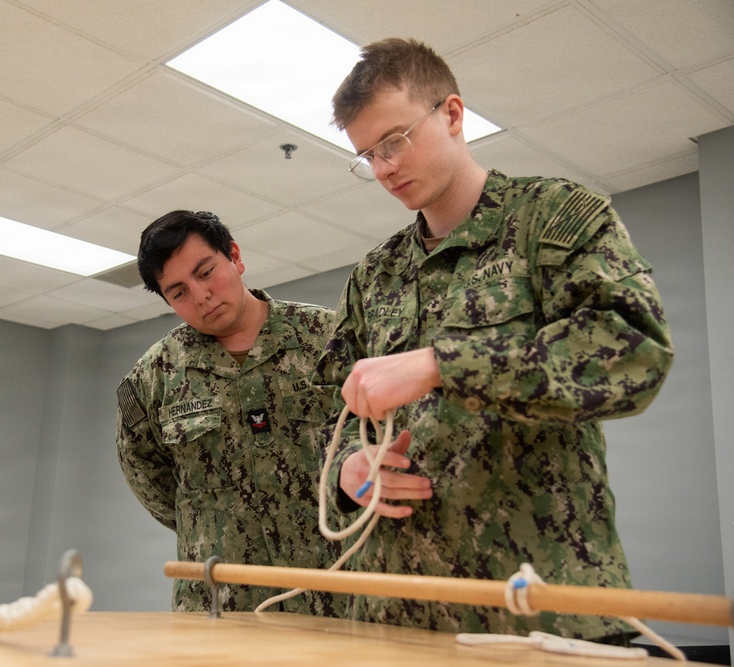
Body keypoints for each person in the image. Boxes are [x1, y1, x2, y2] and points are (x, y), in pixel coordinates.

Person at [312, 38, 674, 641]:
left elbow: (633, 351)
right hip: (399, 616)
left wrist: (441, 364)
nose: (384, 169)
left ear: (451, 114)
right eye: (367, 155)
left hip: (540, 607)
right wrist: (348, 475)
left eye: (395, 141)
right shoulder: (373, 278)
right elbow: (339, 416)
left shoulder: (554, 220)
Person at [116, 210, 343, 615]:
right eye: (179, 292)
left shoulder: (327, 339)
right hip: (220, 599)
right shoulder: (155, 376)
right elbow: (149, 478)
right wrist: (217, 523)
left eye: (206, 272)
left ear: (234, 257)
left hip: (336, 588)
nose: (201, 295)